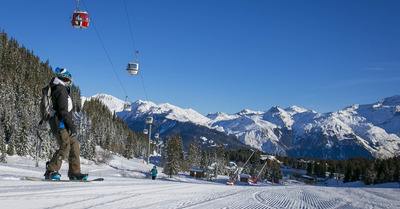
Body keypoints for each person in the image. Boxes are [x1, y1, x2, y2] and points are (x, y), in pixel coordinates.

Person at [43, 67, 88, 180]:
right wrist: (72, 127)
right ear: (64, 79)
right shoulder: (60, 89)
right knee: (65, 146)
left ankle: (74, 172)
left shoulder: (58, 88)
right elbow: (64, 111)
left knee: (74, 146)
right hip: (60, 124)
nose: (69, 83)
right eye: (69, 81)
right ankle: (51, 170)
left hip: (62, 123)